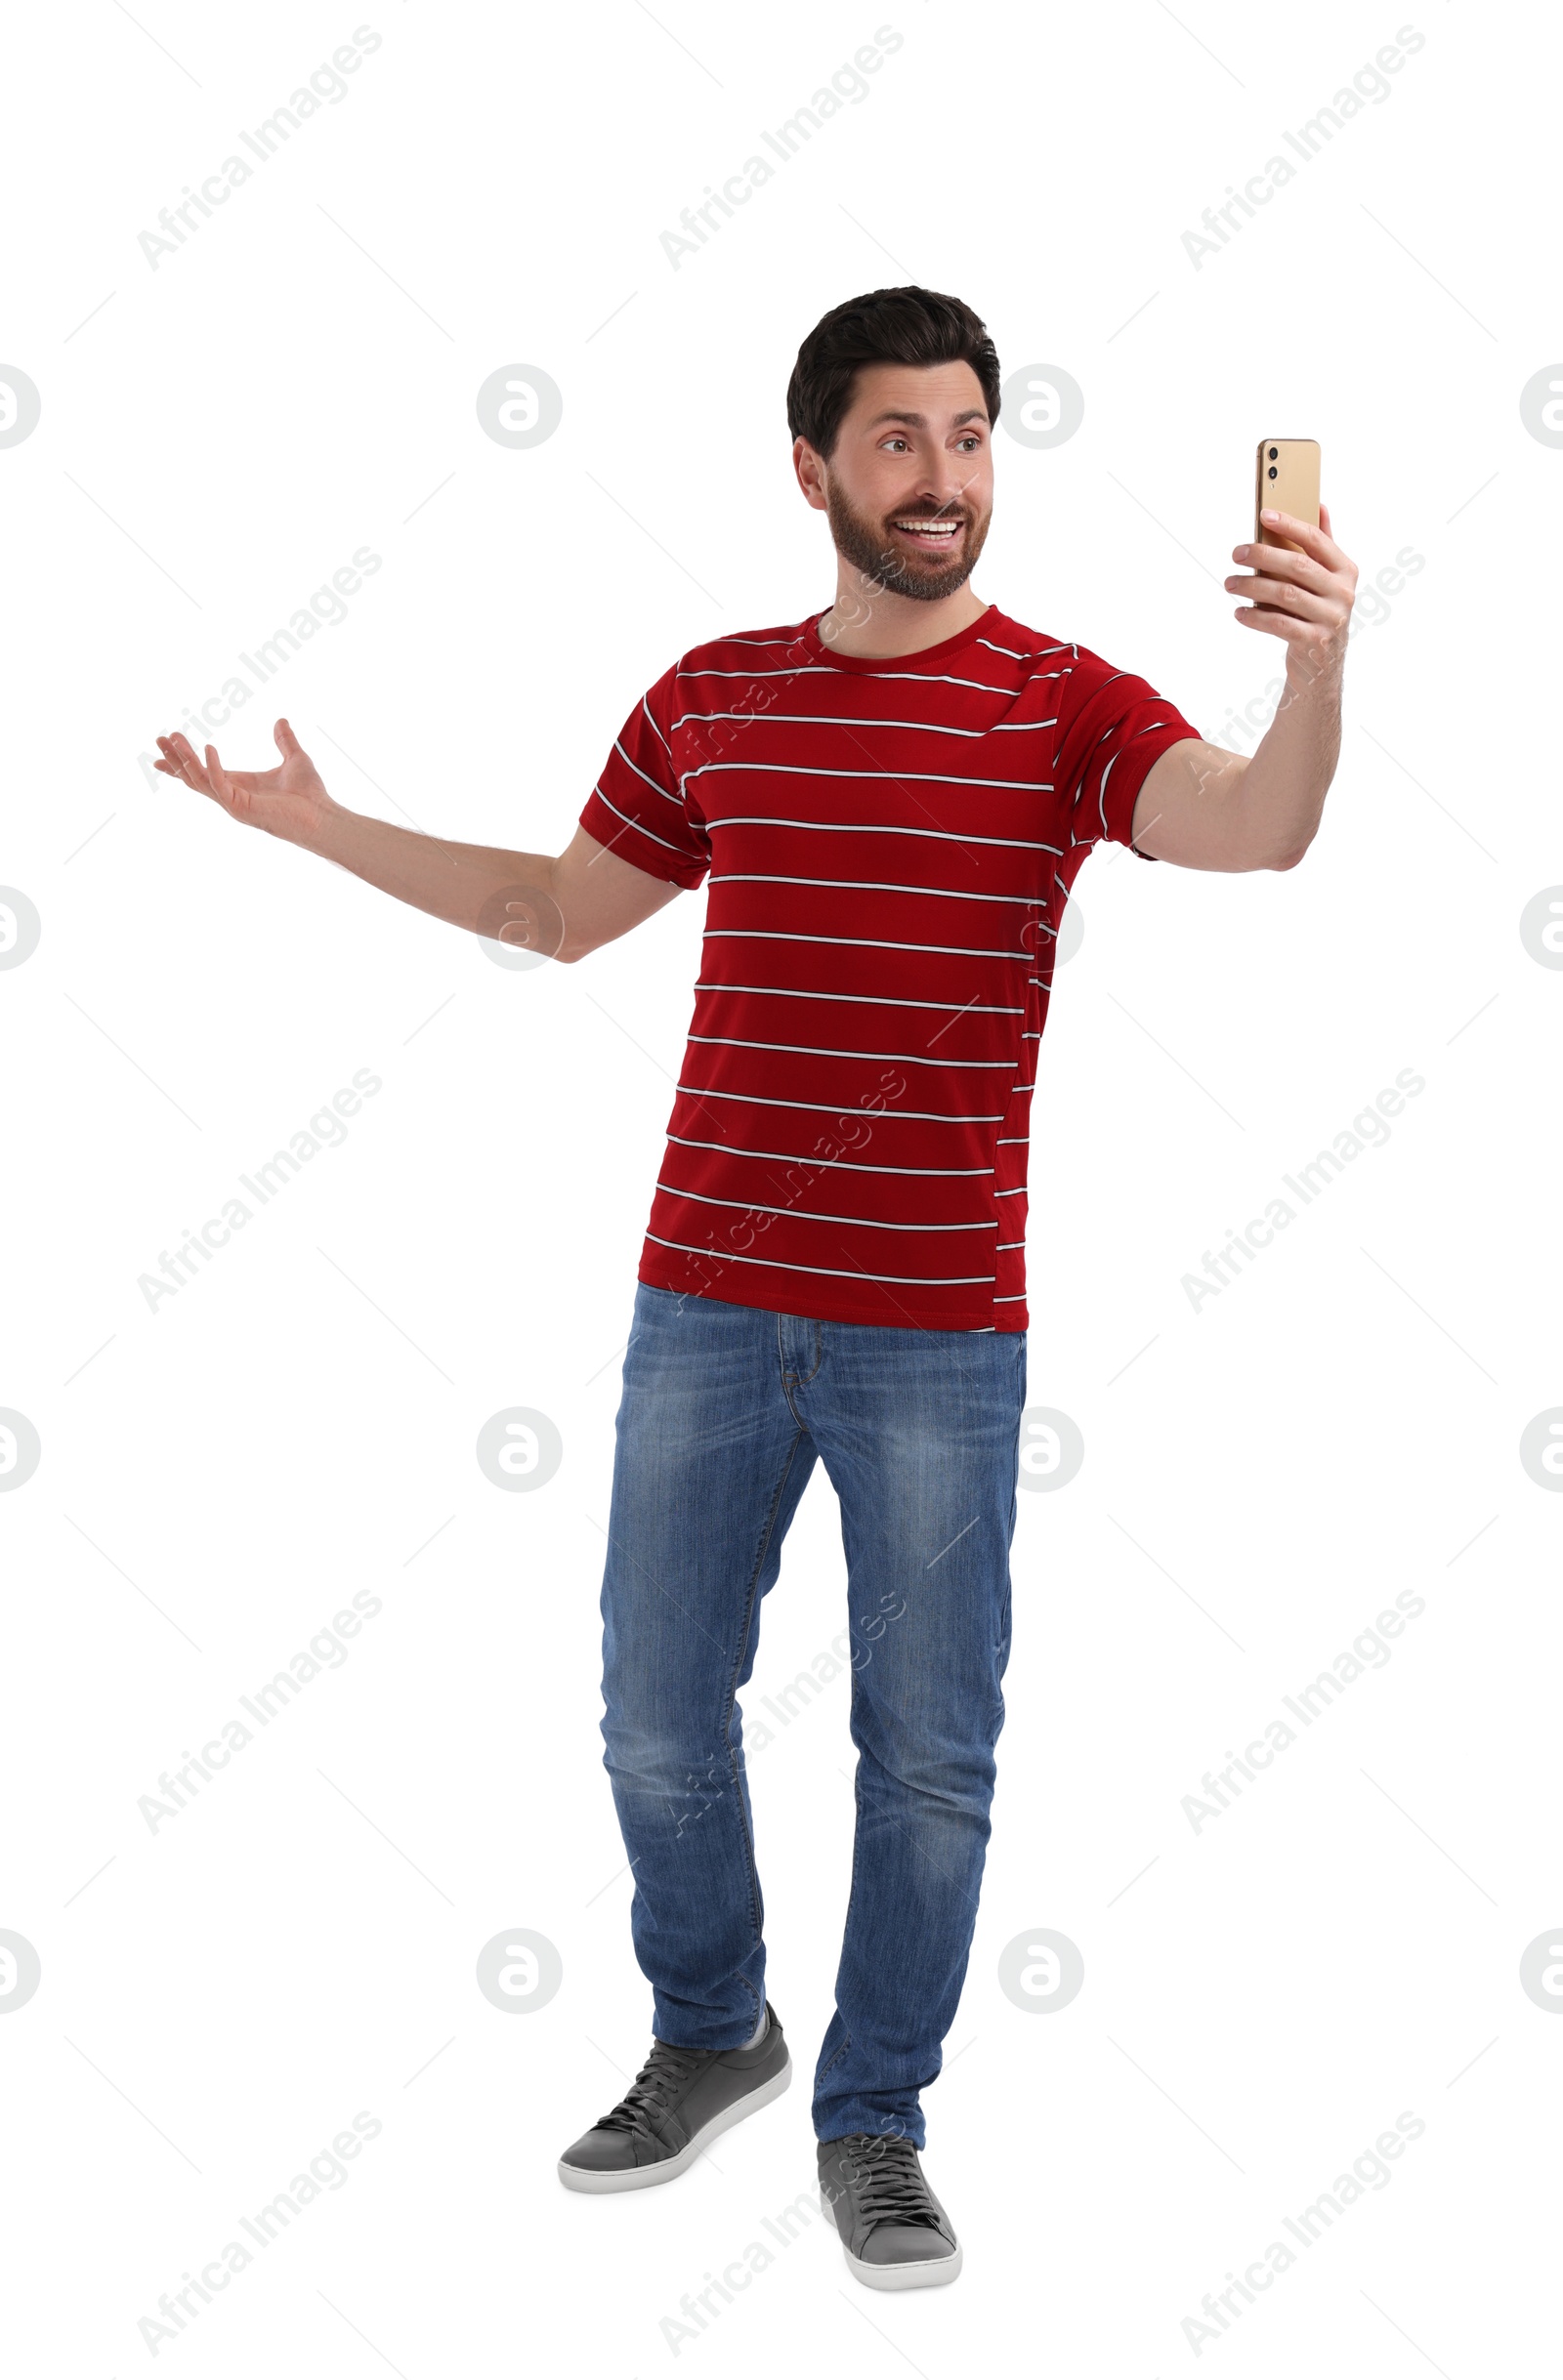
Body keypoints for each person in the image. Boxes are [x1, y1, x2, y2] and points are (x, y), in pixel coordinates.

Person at [152, 285, 1357, 2291]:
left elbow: (1258, 829)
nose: (941, 478)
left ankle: (871, 2115)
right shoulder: (713, 695)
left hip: (936, 1330)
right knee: (647, 1707)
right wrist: (313, 822)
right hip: (705, 1301)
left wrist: (1315, 666)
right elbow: (552, 910)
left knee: (927, 1748)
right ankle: (710, 2026)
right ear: (811, 468)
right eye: (896, 440)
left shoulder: (1063, 706)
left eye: (968, 436)